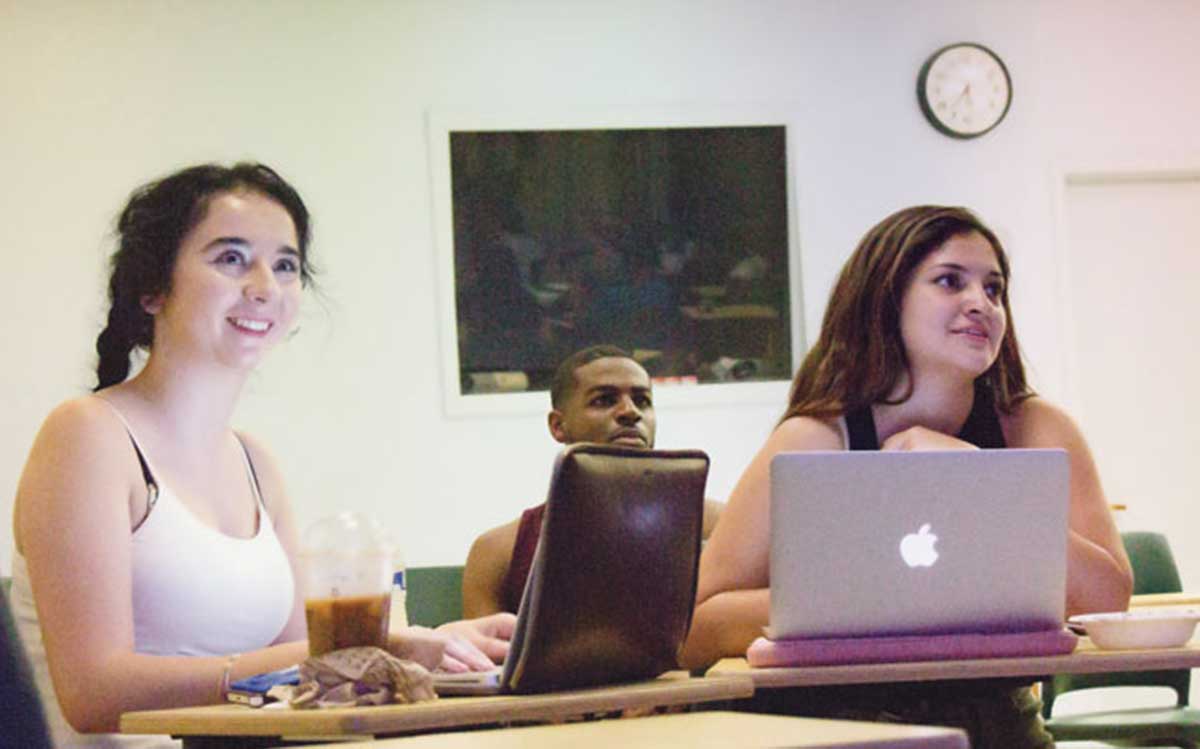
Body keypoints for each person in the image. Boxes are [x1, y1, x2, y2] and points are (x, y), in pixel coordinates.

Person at [9, 163, 513, 748]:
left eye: (285, 266)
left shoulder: (255, 461)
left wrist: (436, 647)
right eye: (230, 259)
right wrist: (368, 648)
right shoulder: (87, 435)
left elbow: (318, 670)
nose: (264, 287)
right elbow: (93, 692)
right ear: (151, 288)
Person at [678, 205, 1133, 749]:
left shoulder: (1037, 426)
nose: (980, 304)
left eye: (994, 289)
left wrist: (975, 477)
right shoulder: (814, 440)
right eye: (949, 282)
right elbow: (694, 628)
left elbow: (1107, 598)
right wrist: (871, 604)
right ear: (886, 299)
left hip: (998, 720)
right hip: (831, 725)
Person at [462, 345, 722, 617]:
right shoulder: (497, 552)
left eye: (642, 400)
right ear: (558, 426)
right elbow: (484, 656)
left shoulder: (715, 526)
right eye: (604, 400)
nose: (630, 412)